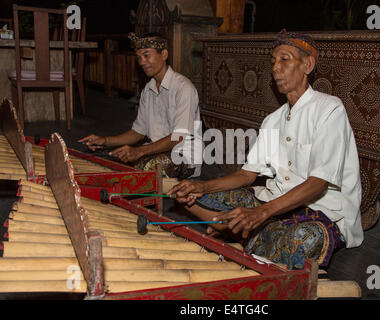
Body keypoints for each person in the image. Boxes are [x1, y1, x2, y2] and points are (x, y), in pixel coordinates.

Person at [168, 29, 364, 270]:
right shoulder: (273, 119)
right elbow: (247, 175)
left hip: (321, 210)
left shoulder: (329, 110)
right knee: (197, 198)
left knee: (304, 239)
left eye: (285, 59)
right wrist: (202, 185)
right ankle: (250, 233)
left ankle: (243, 233)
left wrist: (261, 213)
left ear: (307, 65)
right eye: (273, 62)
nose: (275, 68)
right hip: (271, 201)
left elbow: (319, 183)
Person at [79, 32, 202, 179]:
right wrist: (105, 141)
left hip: (184, 156)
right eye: (139, 58)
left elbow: (179, 137)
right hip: (154, 150)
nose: (142, 62)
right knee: (108, 161)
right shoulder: (148, 91)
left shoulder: (183, 88)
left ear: (164, 54)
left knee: (144, 168)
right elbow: (137, 132)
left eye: (146, 55)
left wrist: (140, 152)